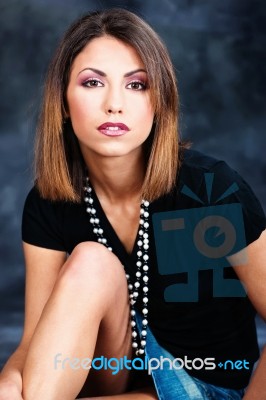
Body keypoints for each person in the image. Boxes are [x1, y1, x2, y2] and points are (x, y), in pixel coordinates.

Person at [0, 7, 265, 400]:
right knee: (90, 260)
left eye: (137, 85)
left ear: (160, 102)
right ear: (62, 102)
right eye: (92, 83)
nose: (114, 104)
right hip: (107, 377)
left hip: (207, 386)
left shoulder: (209, 191)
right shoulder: (49, 200)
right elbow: (33, 345)